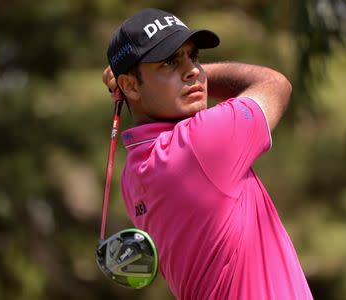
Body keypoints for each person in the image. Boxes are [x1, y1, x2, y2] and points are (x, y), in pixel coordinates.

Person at [102, 8, 313, 300]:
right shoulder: (199, 143)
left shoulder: (132, 176)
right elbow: (275, 84)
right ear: (128, 85)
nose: (192, 70)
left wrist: (148, 81)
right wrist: (199, 78)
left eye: (194, 57)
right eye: (168, 62)